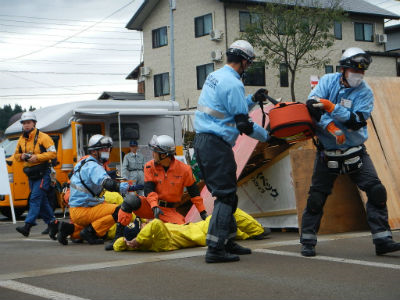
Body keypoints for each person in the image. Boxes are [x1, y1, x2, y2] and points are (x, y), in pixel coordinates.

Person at [302, 47, 400, 257]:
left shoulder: (364, 92)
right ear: (343, 69)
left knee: (376, 191)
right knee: (316, 198)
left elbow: (357, 121)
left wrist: (331, 108)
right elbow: (311, 106)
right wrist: (331, 127)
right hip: (328, 152)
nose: (359, 75)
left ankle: (383, 239)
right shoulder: (328, 81)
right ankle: (307, 241)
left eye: (362, 71)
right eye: (355, 70)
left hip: (356, 151)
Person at [193, 40, 270, 263]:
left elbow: (228, 108)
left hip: (203, 141)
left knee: (228, 194)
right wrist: (268, 135)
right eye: (249, 63)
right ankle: (215, 248)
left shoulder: (215, 76)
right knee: (226, 195)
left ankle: (226, 240)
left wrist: (253, 100)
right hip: (216, 144)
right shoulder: (234, 84)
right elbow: (243, 125)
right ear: (245, 61)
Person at [111, 135, 208, 250]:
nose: (152, 154)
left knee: (180, 233)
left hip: (169, 211)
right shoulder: (149, 166)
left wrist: (203, 213)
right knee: (130, 200)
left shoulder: (185, 170)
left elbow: (195, 194)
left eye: (155, 152)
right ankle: (117, 237)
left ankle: (143, 236)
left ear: (164, 154)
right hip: (150, 205)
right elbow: (149, 190)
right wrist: (154, 205)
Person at [56, 134, 132, 245]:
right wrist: (119, 187)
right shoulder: (94, 166)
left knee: (96, 218)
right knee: (119, 210)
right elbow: (106, 182)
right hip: (84, 209)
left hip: (77, 209)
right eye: (104, 149)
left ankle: (67, 229)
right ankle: (90, 232)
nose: (107, 151)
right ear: (94, 151)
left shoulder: (83, 162)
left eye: (108, 148)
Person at [113, 207, 271, 252]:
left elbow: (117, 245)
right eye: (142, 225)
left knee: (234, 227)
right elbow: (156, 223)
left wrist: (125, 242)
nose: (144, 223)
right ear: (141, 237)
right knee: (228, 209)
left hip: (198, 228)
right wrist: (137, 240)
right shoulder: (158, 243)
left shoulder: (147, 240)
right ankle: (259, 231)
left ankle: (249, 234)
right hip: (203, 233)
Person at [14, 111, 58, 239]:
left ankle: (27, 226)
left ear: (34, 123)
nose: (26, 125)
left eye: (29, 122)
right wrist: (21, 156)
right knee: (42, 201)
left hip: (44, 173)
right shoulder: (21, 139)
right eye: (24, 123)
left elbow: (53, 153)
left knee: (34, 198)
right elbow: (16, 155)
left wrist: (37, 157)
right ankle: (53, 223)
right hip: (31, 174)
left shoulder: (43, 137)